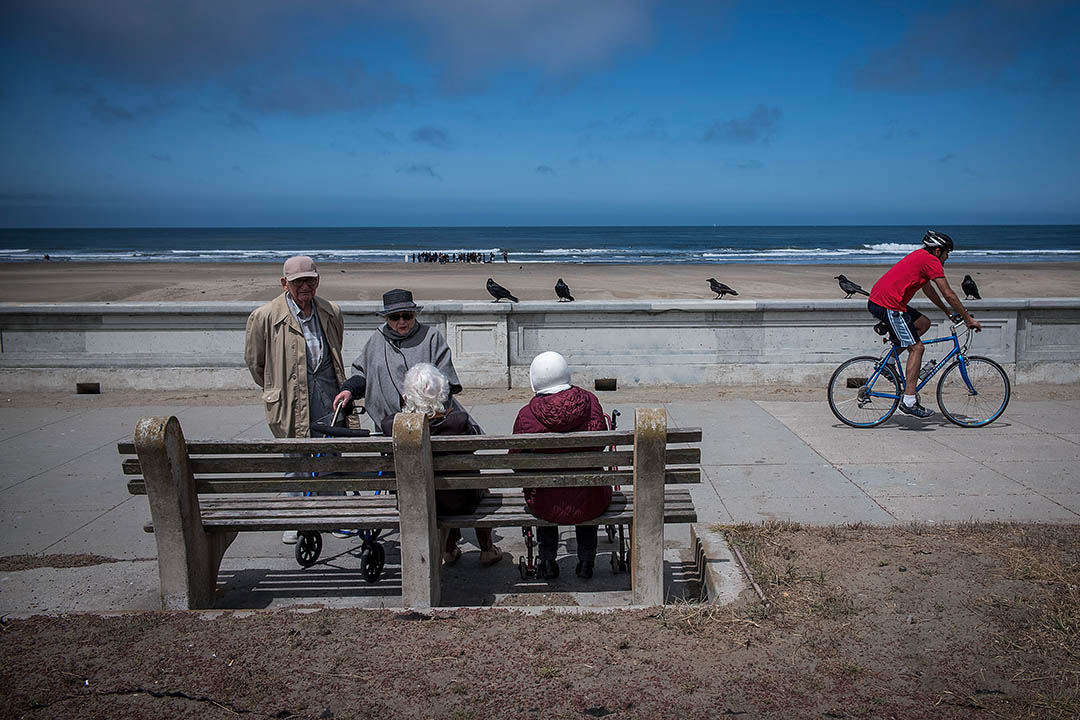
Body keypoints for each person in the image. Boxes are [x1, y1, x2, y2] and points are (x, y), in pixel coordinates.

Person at [244, 255, 351, 544]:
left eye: (310, 280)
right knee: (294, 456)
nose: (305, 286)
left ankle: (334, 513)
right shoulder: (265, 316)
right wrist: (276, 388)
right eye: (298, 281)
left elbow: (335, 349)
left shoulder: (331, 311)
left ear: (318, 281)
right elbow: (256, 364)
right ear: (284, 283)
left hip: (327, 393)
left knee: (331, 452)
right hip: (289, 398)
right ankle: (296, 517)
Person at [380, 363, 501, 566]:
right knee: (462, 485)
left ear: (406, 396)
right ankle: (487, 549)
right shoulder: (459, 423)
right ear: (442, 393)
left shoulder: (391, 426)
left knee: (443, 487)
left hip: (413, 502)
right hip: (458, 502)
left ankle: (450, 549)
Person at [512, 351, 611, 580]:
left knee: (546, 491)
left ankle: (547, 561)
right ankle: (587, 561)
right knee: (587, 488)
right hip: (591, 499)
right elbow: (602, 445)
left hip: (545, 503)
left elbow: (517, 461)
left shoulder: (526, 415)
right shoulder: (592, 403)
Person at [867, 230, 982, 418]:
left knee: (923, 323)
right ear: (938, 251)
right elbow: (948, 293)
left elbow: (928, 289)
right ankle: (909, 401)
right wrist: (968, 319)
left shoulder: (920, 257)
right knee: (917, 348)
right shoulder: (931, 261)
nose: (947, 257)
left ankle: (889, 362)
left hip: (884, 302)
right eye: (947, 253)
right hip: (889, 305)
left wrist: (947, 311)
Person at [333, 288, 464, 433]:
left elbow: (447, 382)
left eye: (407, 316)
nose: (402, 322)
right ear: (387, 318)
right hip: (388, 425)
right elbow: (363, 373)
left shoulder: (431, 337)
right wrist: (349, 390)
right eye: (395, 317)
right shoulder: (377, 339)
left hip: (431, 424)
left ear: (414, 315)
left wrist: (422, 398)